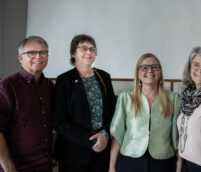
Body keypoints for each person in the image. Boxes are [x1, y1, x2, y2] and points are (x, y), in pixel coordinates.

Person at [52, 34, 116, 172]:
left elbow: (114, 112)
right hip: (73, 152)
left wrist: (105, 134)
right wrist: (91, 140)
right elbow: (59, 122)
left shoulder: (104, 77)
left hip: (102, 151)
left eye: (92, 49)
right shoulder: (64, 80)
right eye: (84, 48)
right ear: (73, 53)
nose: (89, 52)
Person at [109, 53, 181, 172]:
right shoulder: (125, 98)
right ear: (138, 73)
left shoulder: (173, 99)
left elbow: (177, 137)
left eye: (154, 67)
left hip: (163, 162)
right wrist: (112, 167)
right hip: (130, 160)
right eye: (144, 67)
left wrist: (179, 167)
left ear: (160, 72)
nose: (150, 70)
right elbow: (117, 135)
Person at [0, 36, 53, 172]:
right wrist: (9, 167)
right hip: (17, 167)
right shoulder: (7, 86)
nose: (38, 57)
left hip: (45, 165)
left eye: (43, 52)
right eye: (31, 53)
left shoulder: (49, 87)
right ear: (20, 58)